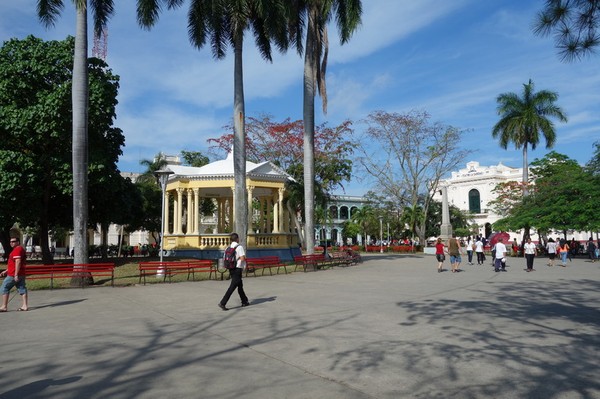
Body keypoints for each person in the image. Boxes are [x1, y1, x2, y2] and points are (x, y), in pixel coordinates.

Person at [218, 233, 249, 311]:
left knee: (240, 286)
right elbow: (242, 259)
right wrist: (243, 259)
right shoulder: (239, 247)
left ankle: (244, 301)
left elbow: (225, 258)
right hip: (237, 269)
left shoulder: (228, 248)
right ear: (237, 239)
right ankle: (223, 303)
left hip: (231, 268)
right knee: (232, 287)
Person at [0, 237, 29, 312]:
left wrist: (15, 274)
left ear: (18, 242)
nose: (11, 243)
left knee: (4, 287)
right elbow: (14, 263)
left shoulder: (17, 249)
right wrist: (6, 270)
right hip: (20, 273)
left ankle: (4, 306)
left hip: (13, 275)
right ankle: (25, 306)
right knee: (22, 288)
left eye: (13, 241)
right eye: (10, 242)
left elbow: (18, 262)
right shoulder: (20, 249)